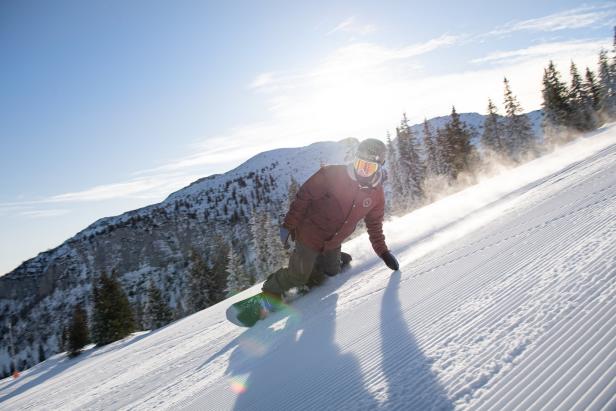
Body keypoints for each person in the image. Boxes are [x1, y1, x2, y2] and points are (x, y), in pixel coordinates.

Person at [230, 138, 399, 326]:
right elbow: (304, 196)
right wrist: (289, 224)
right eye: (360, 165)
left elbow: (374, 226)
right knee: (298, 275)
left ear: (379, 167)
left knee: (331, 273)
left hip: (333, 242)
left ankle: (331, 260)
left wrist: (383, 252)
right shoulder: (333, 174)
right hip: (309, 234)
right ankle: (269, 293)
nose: (363, 171)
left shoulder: (376, 195)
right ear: (355, 160)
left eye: (369, 168)